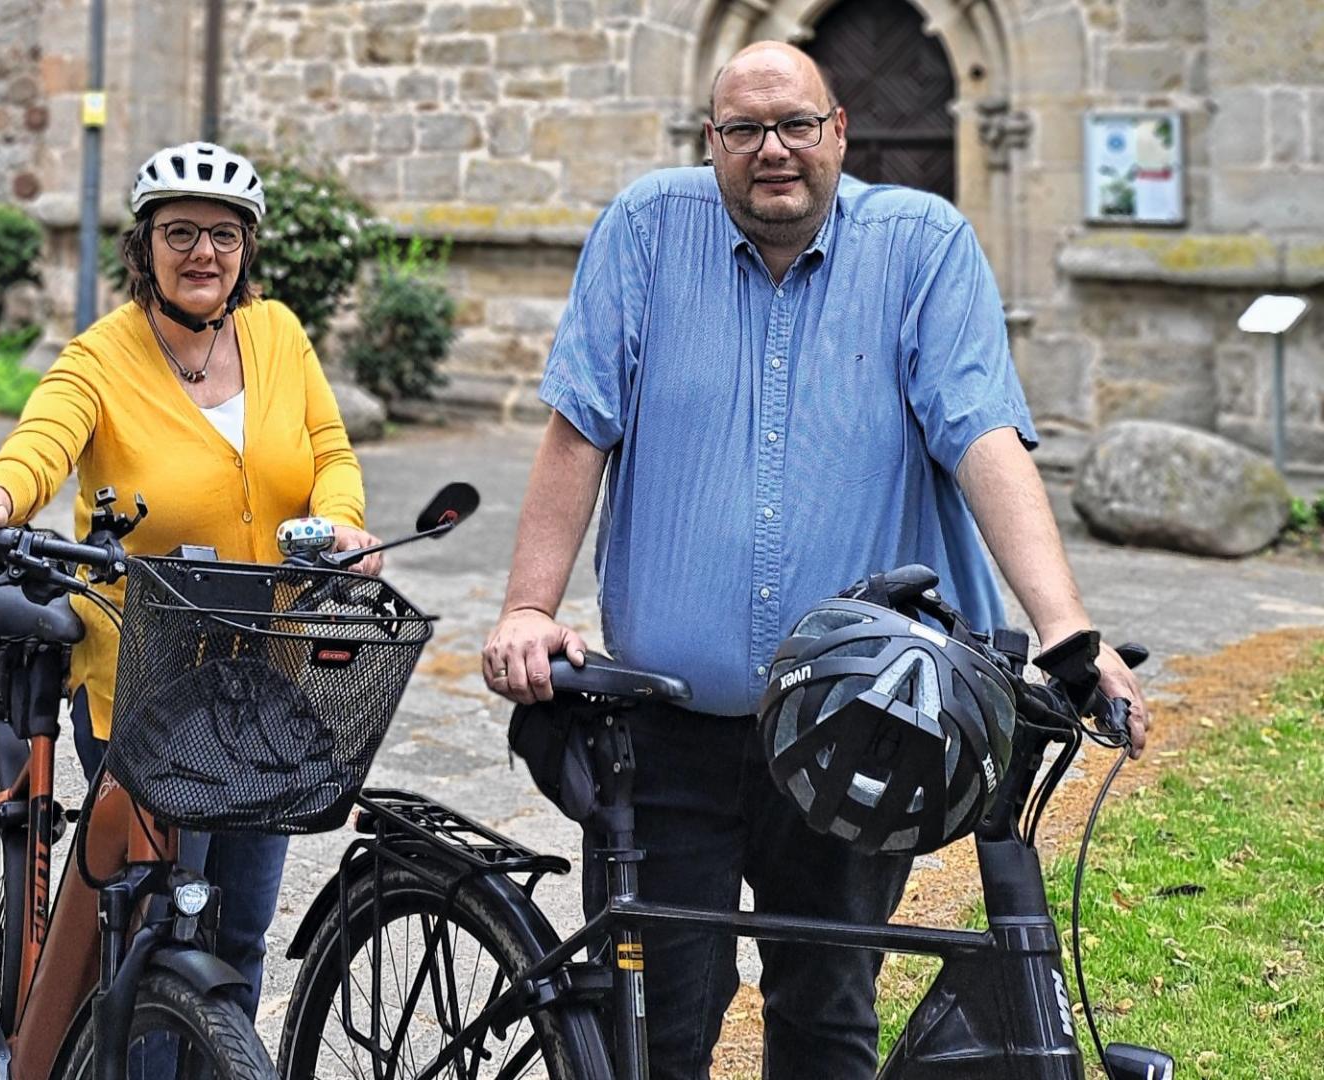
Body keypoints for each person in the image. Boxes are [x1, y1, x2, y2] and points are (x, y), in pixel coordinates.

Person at [480, 42, 1149, 1080]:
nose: (772, 151)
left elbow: (983, 435)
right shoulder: (647, 231)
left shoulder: (923, 245)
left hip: (862, 728)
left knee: (827, 1020)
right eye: (744, 131)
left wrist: (1064, 629)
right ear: (712, 145)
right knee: (657, 1030)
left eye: (795, 124)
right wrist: (529, 605)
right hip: (667, 729)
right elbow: (581, 428)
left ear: (840, 131)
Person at [0, 140, 381, 1020]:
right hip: (146, 687)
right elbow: (41, 445)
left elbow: (329, 449)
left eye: (223, 233)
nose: (203, 252)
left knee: (239, 933)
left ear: (247, 248)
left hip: (270, 680)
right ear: (144, 246)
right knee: (155, 940)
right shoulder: (100, 357)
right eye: (180, 232)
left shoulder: (278, 332)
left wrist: (345, 519)